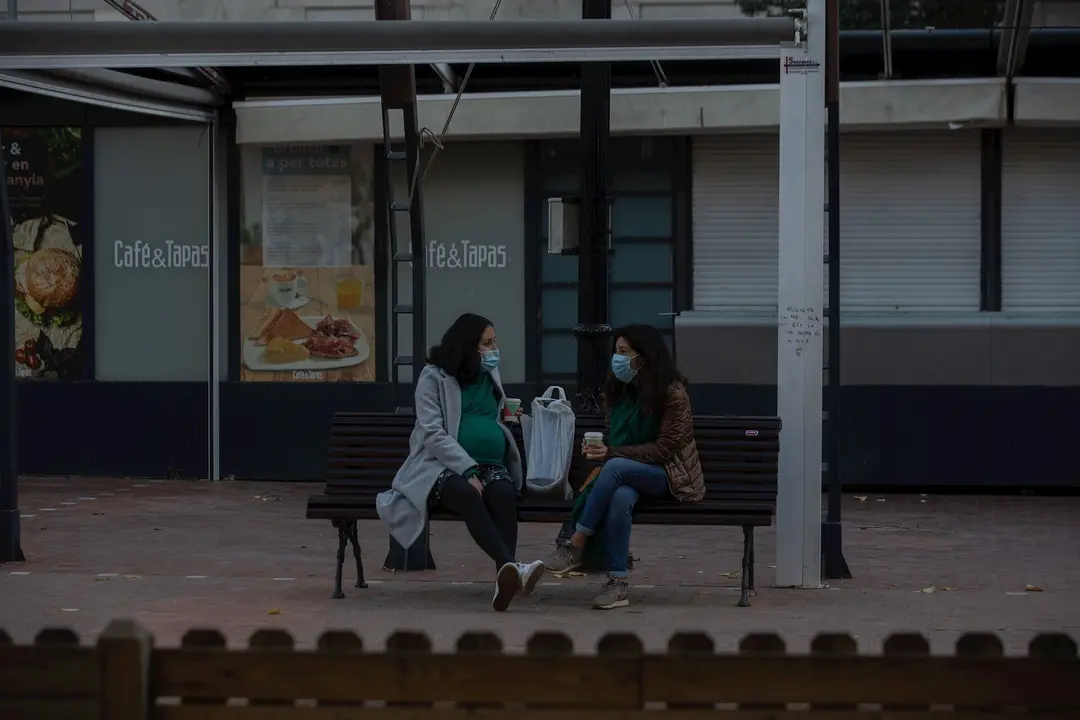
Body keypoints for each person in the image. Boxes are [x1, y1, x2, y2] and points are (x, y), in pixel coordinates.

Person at [376, 313, 544, 611]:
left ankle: (502, 581)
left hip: (490, 463)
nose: (494, 349)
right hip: (440, 465)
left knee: (504, 494)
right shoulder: (434, 376)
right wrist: (466, 469)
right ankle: (512, 568)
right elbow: (432, 432)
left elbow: (486, 413)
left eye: (494, 342)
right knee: (469, 494)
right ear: (468, 346)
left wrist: (507, 419)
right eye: (487, 343)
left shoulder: (488, 372)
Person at [545, 324, 704, 609]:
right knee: (620, 497)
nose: (617, 359)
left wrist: (612, 453)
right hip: (626, 474)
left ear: (643, 357)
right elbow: (611, 439)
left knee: (616, 467)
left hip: (668, 473)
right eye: (616, 351)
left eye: (623, 352)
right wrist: (598, 448)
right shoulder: (619, 389)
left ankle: (576, 541)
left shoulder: (672, 393)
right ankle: (617, 584)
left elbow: (664, 449)